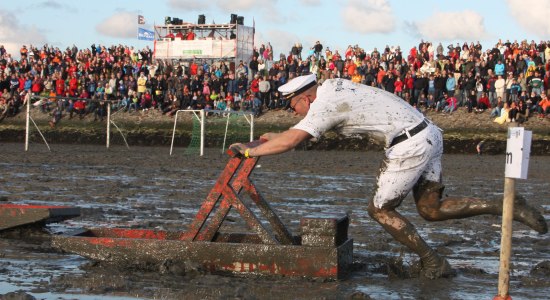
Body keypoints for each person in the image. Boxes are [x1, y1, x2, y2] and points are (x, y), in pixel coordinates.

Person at [230, 74, 547, 279]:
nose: (293, 112)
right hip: (430, 133)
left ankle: (433, 262)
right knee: (430, 209)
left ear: (304, 98)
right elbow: (297, 132)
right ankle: (506, 203)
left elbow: (296, 139)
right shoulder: (334, 86)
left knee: (379, 209)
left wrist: (249, 151)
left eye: (292, 106)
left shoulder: (323, 105)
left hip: (407, 145)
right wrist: (273, 137)